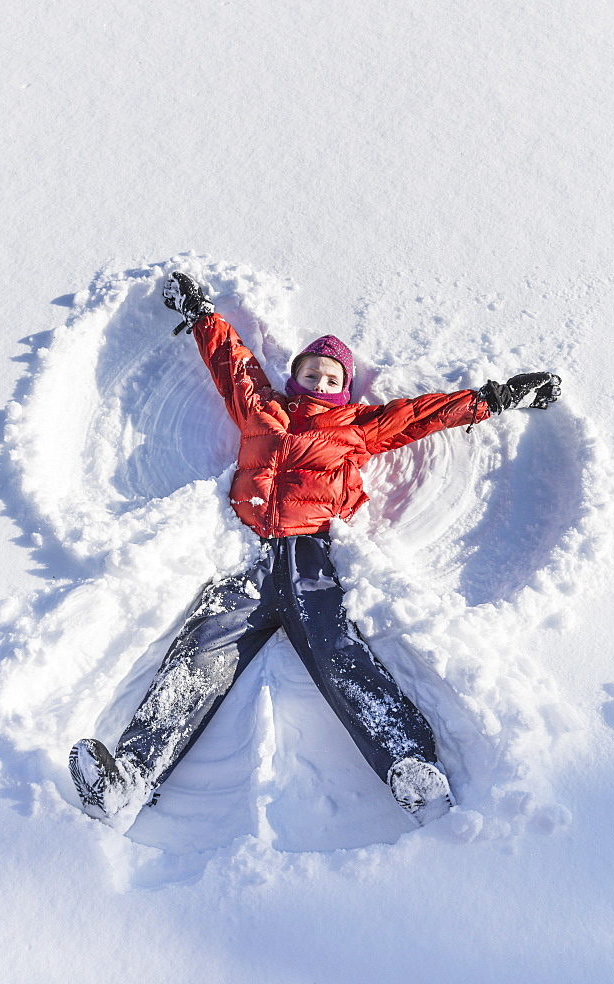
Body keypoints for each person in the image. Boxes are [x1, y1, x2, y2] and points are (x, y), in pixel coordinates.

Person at [68, 272, 561, 829]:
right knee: (200, 652)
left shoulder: (356, 428)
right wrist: (203, 313)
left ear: (344, 388)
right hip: (248, 556)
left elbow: (423, 415)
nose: (319, 379)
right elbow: (233, 364)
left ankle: (413, 769)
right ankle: (129, 779)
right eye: (310, 371)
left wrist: (496, 398)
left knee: (339, 655)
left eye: (330, 376)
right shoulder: (263, 411)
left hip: (311, 560)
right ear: (295, 377)